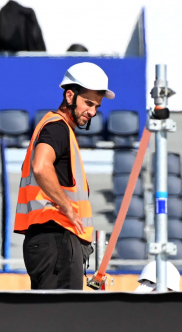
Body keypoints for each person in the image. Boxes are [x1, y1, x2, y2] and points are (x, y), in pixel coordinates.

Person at [14, 62, 113, 290]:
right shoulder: (57, 128)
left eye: (97, 106)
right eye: (88, 103)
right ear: (70, 95)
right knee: (62, 318)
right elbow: (40, 167)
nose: (93, 112)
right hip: (57, 239)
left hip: (48, 242)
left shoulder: (55, 128)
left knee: (50, 318)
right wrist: (67, 207)